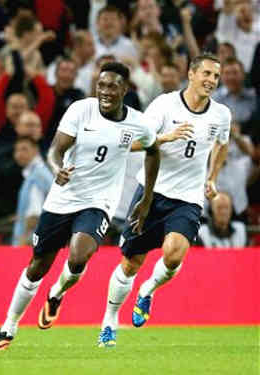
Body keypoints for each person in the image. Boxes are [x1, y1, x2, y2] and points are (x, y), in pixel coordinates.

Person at [0, 62, 160, 351]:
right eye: (101, 85)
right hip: (63, 197)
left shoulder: (138, 123)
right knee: (38, 265)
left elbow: (154, 151)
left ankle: (57, 292)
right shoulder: (81, 110)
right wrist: (57, 168)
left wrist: (148, 197)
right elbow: (56, 150)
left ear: (124, 90)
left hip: (99, 201)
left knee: (80, 255)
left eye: (112, 86)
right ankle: (9, 326)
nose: (105, 91)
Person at [97, 53, 231, 348]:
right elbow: (133, 143)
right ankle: (109, 320)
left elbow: (222, 143)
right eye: (206, 74)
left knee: (173, 254)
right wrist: (166, 138)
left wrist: (212, 177)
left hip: (188, 199)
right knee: (131, 262)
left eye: (216, 76)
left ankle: (148, 290)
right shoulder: (164, 105)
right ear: (191, 74)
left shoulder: (221, 114)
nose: (211, 80)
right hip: (151, 194)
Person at [11, 136, 53, 246]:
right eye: (17, 150)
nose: (19, 154)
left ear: (36, 150)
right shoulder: (38, 172)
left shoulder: (37, 176)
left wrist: (24, 238)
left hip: (31, 243)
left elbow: (34, 214)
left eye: (24, 149)